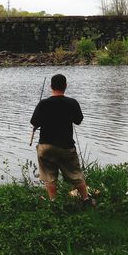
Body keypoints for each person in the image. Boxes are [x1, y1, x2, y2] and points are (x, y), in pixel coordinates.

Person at [30, 74, 95, 206]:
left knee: (49, 177)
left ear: (51, 87)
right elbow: (79, 120)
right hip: (66, 147)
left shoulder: (43, 104)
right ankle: (86, 200)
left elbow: (34, 122)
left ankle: (54, 203)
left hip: (46, 147)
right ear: (65, 86)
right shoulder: (72, 102)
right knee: (76, 175)